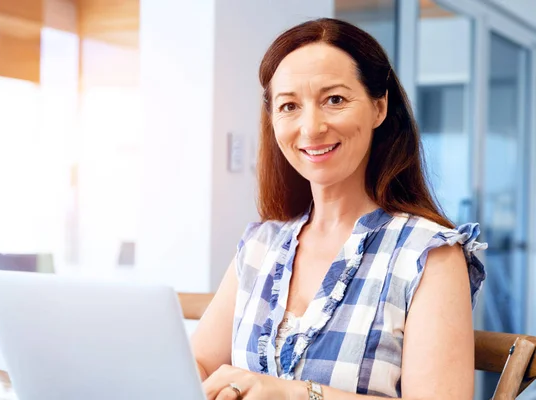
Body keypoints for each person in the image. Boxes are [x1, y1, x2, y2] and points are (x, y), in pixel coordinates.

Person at [192, 18, 487, 400]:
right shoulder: (261, 245)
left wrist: (292, 394)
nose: (311, 127)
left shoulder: (429, 254)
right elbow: (196, 363)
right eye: (289, 106)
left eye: (334, 99)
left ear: (379, 107)